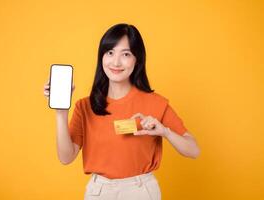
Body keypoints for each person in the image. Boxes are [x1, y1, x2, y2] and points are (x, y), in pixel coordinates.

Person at [43, 23, 200, 200]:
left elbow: (193, 150)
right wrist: (61, 112)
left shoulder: (156, 103)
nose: (116, 62)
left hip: (140, 191)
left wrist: (165, 131)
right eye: (110, 53)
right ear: (101, 57)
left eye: (126, 54)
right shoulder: (85, 107)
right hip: (99, 192)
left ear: (137, 59)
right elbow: (66, 157)